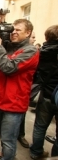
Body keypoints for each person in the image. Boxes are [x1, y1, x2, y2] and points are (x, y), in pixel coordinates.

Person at [0, 19, 39, 160]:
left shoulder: (31, 51)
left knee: (9, 139)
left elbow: (9, 68)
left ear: (28, 33)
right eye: (12, 29)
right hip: (0, 100)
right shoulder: (7, 47)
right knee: (3, 135)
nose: (13, 32)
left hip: (14, 103)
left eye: (18, 30)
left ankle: (8, 156)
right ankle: (5, 152)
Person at [30, 25, 58, 159]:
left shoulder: (40, 52)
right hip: (56, 95)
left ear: (47, 37)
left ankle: (36, 152)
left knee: (40, 126)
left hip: (45, 94)